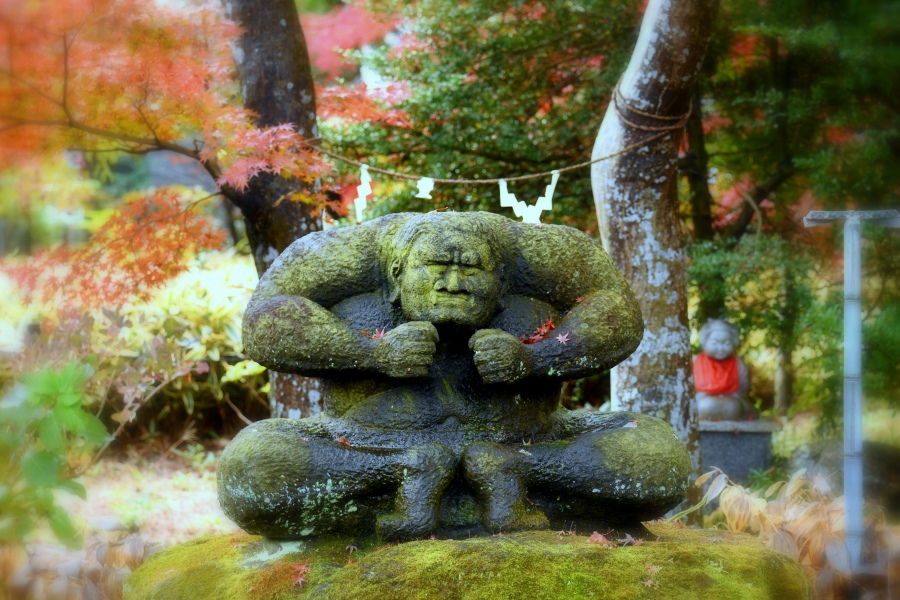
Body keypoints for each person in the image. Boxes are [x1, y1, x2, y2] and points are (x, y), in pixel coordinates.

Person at [218, 211, 690, 540]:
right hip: (366, 447)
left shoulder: (542, 251)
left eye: (470, 270)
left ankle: (511, 469)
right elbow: (264, 322)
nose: (453, 283)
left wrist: (534, 358)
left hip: (531, 443)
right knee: (250, 466)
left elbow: (618, 314)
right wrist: (370, 352)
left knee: (660, 458)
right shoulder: (346, 253)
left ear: (501, 281)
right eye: (435, 267)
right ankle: (405, 470)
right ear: (397, 273)